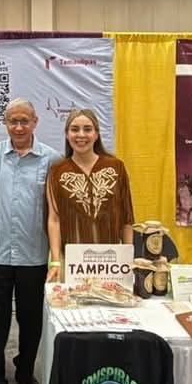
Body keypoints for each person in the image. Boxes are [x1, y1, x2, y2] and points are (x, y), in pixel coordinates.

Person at [0, 98, 61, 384]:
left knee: (31, 320)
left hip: (34, 254)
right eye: (13, 121)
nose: (18, 127)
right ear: (5, 123)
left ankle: (26, 374)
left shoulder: (52, 159)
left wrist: (56, 254)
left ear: (35, 122)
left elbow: (56, 210)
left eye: (24, 120)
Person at [46, 108, 134, 282]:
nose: (81, 135)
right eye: (74, 129)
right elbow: (54, 219)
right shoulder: (56, 171)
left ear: (96, 134)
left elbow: (127, 218)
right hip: (71, 261)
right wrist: (55, 261)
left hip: (111, 261)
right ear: (67, 135)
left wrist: (128, 257)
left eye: (87, 129)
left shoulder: (116, 167)